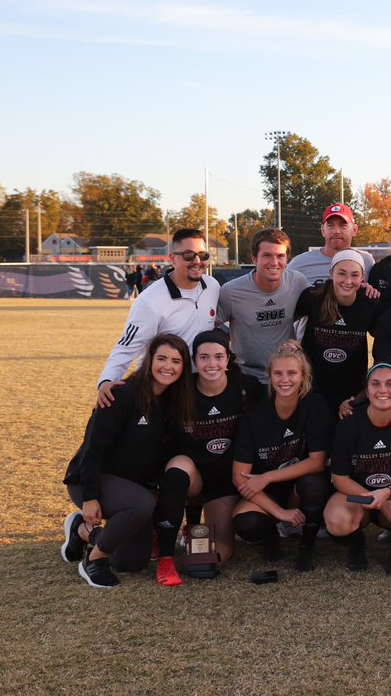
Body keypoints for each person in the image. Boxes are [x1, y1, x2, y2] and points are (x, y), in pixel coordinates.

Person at [61, 334, 195, 588]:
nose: (168, 366)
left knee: (131, 562)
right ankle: (94, 560)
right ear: (149, 360)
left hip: (131, 488)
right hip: (91, 481)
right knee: (142, 502)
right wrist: (90, 498)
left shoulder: (173, 404)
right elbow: (92, 449)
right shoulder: (121, 394)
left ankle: (82, 531)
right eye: (162, 359)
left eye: (176, 361)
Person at [151, 329, 262, 586]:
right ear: (194, 360)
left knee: (220, 552)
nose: (211, 364)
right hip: (195, 475)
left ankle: (194, 542)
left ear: (228, 359)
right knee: (177, 469)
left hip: (226, 481)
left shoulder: (247, 387)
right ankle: (166, 558)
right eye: (204, 357)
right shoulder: (179, 390)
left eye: (218, 357)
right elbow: (146, 393)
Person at [230, 341, 331, 572]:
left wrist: (267, 476)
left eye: (292, 373)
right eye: (278, 373)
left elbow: (316, 461)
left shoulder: (314, 405)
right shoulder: (254, 415)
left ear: (303, 376)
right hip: (266, 494)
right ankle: (270, 538)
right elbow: (239, 477)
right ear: (270, 377)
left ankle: (307, 546)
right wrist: (280, 513)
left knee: (314, 484)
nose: (285, 380)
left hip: (297, 488)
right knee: (246, 522)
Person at [324, 363, 391, 576]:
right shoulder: (349, 424)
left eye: (390, 384)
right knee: (337, 519)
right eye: (375, 384)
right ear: (367, 390)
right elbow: (339, 478)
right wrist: (379, 503)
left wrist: (387, 494)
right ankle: (357, 543)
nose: (382, 390)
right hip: (356, 498)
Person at [96, 228, 220, 409]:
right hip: (161, 389)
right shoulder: (149, 301)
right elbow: (126, 346)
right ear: (172, 258)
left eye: (203, 254)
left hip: (198, 386)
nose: (197, 261)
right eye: (188, 255)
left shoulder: (213, 286)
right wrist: (106, 380)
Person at [294, 249, 384, 412]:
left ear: (362, 277)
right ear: (331, 273)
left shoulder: (370, 303)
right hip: (313, 389)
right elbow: (287, 321)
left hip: (351, 393)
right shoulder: (313, 297)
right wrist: (291, 344)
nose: (348, 281)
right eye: (341, 273)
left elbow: (383, 340)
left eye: (355, 275)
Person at [216, 228, 310, 381]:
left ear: (287, 259)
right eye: (267, 255)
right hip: (247, 377)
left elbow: (321, 304)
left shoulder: (297, 282)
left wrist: (360, 288)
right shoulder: (232, 291)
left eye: (280, 256)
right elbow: (208, 327)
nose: (274, 262)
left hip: (285, 376)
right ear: (254, 258)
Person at [286, 203, 376, 284]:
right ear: (323, 230)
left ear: (354, 230)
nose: (336, 231)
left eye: (343, 225)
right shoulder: (299, 263)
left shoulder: (366, 261)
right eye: (330, 225)